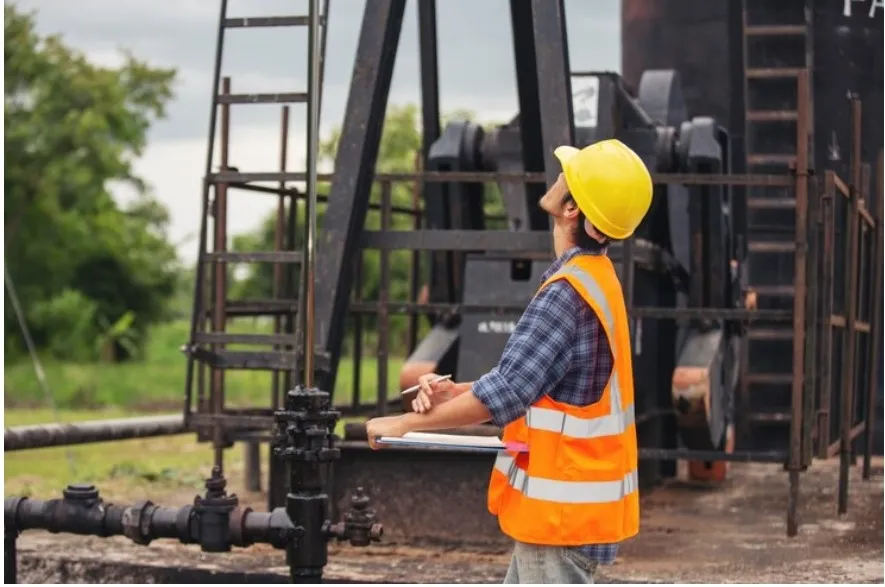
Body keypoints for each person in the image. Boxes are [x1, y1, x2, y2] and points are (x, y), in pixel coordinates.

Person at [366, 139, 654, 584]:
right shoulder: (599, 282)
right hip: (572, 520)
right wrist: (460, 391)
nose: (558, 177)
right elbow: (546, 385)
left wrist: (404, 425)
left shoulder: (566, 295)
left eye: (568, 175)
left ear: (573, 208)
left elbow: (509, 393)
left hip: (558, 524)